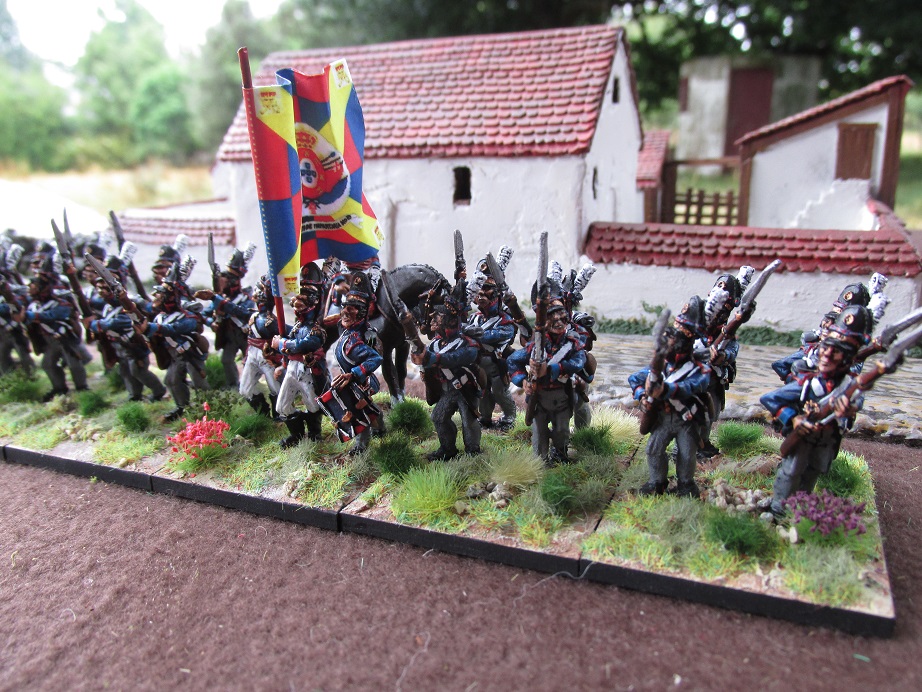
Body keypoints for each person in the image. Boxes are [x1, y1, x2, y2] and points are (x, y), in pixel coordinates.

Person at [760, 305, 872, 518]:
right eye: (824, 349)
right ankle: (778, 509)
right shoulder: (808, 383)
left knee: (813, 472)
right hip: (803, 436)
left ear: (847, 359)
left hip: (826, 439)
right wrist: (793, 419)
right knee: (791, 471)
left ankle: (800, 508)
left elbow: (856, 404)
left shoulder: (850, 386)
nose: (826, 356)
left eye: (835, 352)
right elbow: (770, 399)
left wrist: (848, 410)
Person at [628, 297, 711, 498]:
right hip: (662, 418)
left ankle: (686, 485)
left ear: (684, 344)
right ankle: (657, 482)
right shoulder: (662, 365)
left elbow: (692, 386)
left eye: (672, 341)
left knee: (687, 454)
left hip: (686, 419)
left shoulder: (699, 370)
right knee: (653, 449)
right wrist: (643, 396)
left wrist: (665, 390)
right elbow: (635, 379)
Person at [508, 298, 587, 463]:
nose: (558, 323)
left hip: (562, 396)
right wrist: (523, 381)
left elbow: (579, 362)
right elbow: (513, 361)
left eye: (562, 319)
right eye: (553, 319)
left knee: (562, 431)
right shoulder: (535, 346)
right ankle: (540, 463)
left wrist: (552, 369)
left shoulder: (572, 344)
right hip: (539, 397)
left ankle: (560, 454)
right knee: (539, 434)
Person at [83, 255, 167, 403]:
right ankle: (134, 395)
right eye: (100, 287)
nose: (102, 291)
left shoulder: (130, 303)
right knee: (125, 371)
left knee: (138, 371)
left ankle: (158, 391)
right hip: (120, 345)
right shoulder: (109, 306)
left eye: (105, 287)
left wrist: (93, 325)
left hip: (134, 346)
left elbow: (116, 323)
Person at [137, 256, 209, 422]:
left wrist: (153, 328)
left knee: (199, 382)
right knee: (171, 381)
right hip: (174, 355)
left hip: (190, 354)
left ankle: (209, 407)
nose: (157, 297)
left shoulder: (188, 316)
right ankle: (182, 406)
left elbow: (175, 328)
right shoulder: (160, 317)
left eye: (161, 295)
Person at [412, 293, 483, 460]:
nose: (433, 319)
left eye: (438, 316)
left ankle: (473, 452)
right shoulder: (435, 344)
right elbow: (426, 359)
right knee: (438, 417)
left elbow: (455, 358)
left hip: (466, 388)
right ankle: (448, 449)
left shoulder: (467, 343)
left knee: (468, 421)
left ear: (451, 321)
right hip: (447, 389)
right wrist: (421, 362)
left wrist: (432, 359)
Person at [320, 273, 383, 455]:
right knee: (366, 408)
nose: (346, 312)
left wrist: (355, 374)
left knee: (357, 411)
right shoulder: (346, 330)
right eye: (345, 307)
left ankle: (361, 445)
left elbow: (376, 358)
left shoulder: (363, 337)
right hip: (349, 380)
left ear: (362, 312)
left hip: (362, 381)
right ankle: (380, 427)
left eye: (352, 309)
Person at [271, 265, 329, 448]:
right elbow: (291, 348)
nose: (298, 301)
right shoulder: (298, 326)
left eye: (305, 296)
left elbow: (301, 345)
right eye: (298, 295)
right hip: (291, 370)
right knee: (282, 406)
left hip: (307, 372)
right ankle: (296, 434)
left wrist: (281, 344)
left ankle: (314, 434)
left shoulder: (316, 330)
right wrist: (283, 348)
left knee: (313, 405)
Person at [695, 270, 750, 458]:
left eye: (726, 309)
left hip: (713, 379)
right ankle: (684, 447)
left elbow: (732, 349)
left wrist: (723, 356)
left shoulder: (727, 335)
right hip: (692, 377)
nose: (721, 313)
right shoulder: (695, 323)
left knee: (710, 414)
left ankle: (702, 443)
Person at [23, 251, 88, 400]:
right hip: (50, 340)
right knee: (48, 364)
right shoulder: (34, 304)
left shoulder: (60, 299)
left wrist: (34, 316)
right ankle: (59, 388)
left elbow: (60, 313)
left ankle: (82, 387)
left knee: (74, 363)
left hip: (65, 337)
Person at [466, 268, 517, 432]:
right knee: (483, 391)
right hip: (478, 362)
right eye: (479, 294)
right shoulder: (475, 318)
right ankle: (485, 417)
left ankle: (509, 417)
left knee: (500, 391)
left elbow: (501, 335)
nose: (481, 297)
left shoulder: (504, 320)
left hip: (496, 361)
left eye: (485, 293)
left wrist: (475, 334)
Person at [201, 244, 257, 389]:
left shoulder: (245, 297)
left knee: (250, 361)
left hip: (244, 334)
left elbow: (244, 312)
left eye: (230, 278)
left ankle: (250, 386)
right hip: (229, 335)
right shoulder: (219, 299)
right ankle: (233, 385)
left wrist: (222, 303)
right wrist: (211, 322)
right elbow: (203, 314)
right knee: (226, 360)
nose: (226, 280)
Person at [238, 274, 283, 418]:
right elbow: (234, 309)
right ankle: (263, 414)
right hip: (252, 354)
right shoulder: (254, 316)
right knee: (245, 389)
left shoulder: (271, 321)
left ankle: (279, 416)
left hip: (267, 356)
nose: (256, 293)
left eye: (260, 290)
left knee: (276, 389)